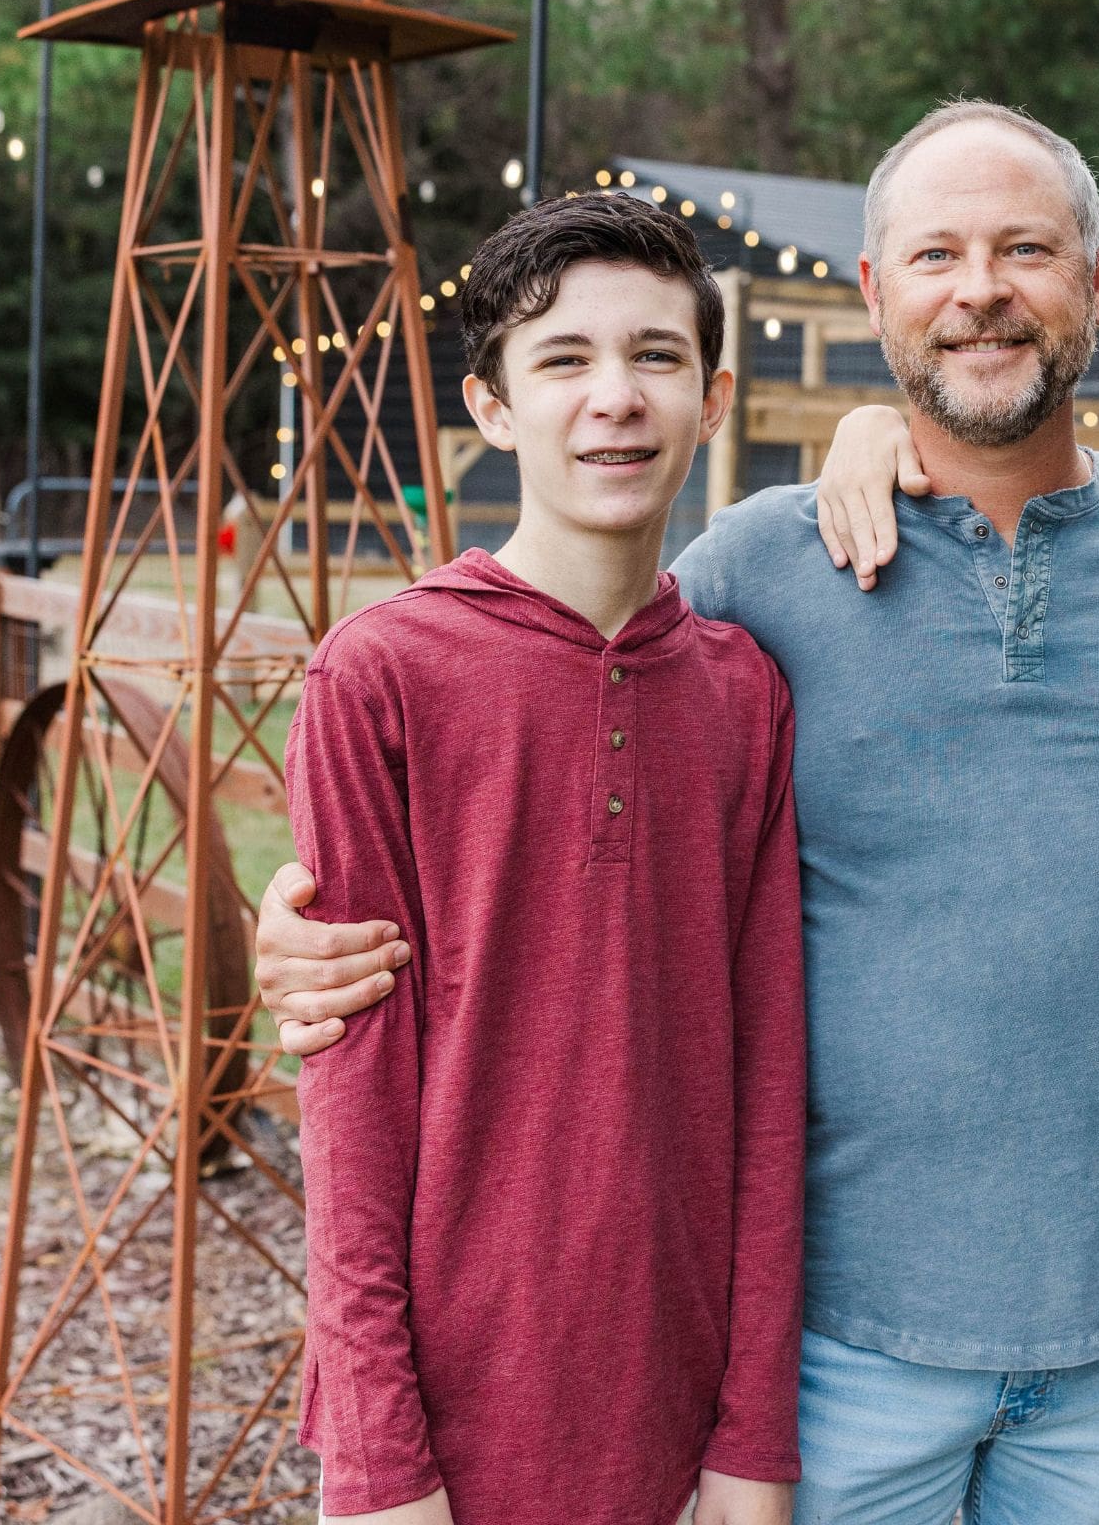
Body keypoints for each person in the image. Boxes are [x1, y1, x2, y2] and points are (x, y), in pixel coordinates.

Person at [257, 101, 1099, 1525]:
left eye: (1025, 250)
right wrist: (307, 947)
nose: (981, 288)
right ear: (874, 294)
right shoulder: (758, 571)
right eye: (935, 254)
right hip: (838, 1338)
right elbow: (563, 728)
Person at [284, 194, 805, 1525]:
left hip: (676, 1411)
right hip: (453, 1421)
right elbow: (350, 1109)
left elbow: (764, 1078)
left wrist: (751, 1439)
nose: (615, 399)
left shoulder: (745, 693)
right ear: (493, 407)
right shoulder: (381, 675)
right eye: (564, 361)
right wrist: (380, 1459)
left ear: (714, 394)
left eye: (656, 357)